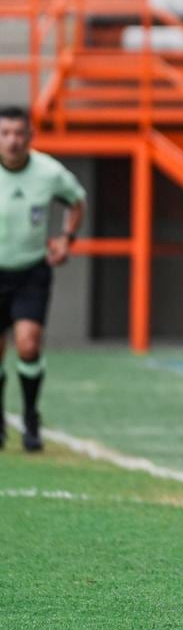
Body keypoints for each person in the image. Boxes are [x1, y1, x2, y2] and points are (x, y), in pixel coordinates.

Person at [0, 106, 86, 451]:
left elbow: (76, 201)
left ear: (30, 137)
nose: (12, 141)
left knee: (27, 344)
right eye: (5, 133)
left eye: (19, 133)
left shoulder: (49, 172)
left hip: (31, 270)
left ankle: (31, 416)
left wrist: (67, 238)